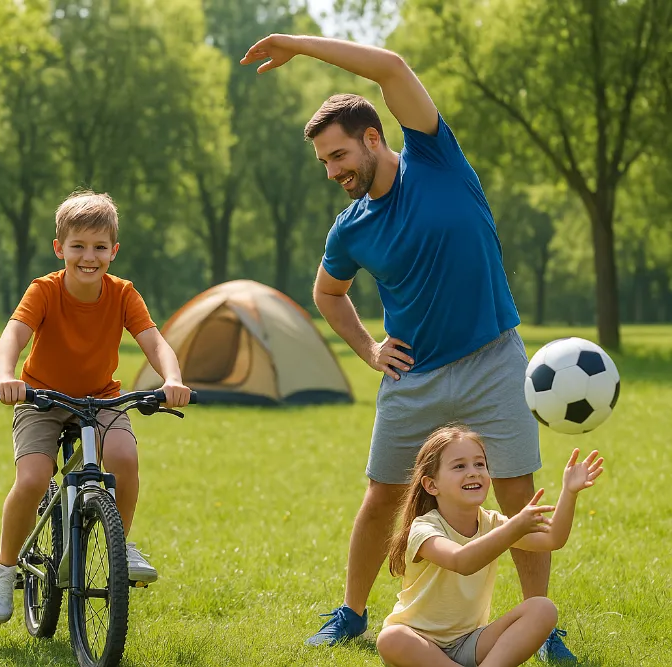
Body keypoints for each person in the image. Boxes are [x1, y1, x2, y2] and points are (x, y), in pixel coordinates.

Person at [240, 34, 579, 661]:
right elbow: (328, 293)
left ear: (374, 138)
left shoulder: (435, 158)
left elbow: (391, 67)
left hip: (491, 357)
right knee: (382, 496)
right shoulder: (350, 229)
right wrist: (370, 350)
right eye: (323, 162)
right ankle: (352, 613)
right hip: (414, 377)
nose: (333, 170)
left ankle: (543, 624)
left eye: (339, 154)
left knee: (513, 489)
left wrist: (300, 47)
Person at [0, 190, 191, 624]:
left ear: (114, 250)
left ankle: (122, 544)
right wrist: (6, 375)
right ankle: (4, 567)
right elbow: (13, 337)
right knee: (35, 476)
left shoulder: (123, 294)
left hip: (101, 396)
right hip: (42, 397)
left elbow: (154, 341)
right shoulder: (44, 290)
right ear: (60, 248)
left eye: (99, 247)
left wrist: (172, 379)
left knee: (123, 456)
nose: (88, 257)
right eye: (78, 246)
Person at [377, 425, 603, 667]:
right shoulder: (423, 528)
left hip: (469, 643)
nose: (473, 472)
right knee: (391, 637)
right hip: (418, 643)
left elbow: (552, 540)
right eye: (459, 466)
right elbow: (461, 561)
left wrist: (569, 492)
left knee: (543, 609)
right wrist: (513, 528)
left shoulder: (492, 522)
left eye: (479, 464)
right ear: (432, 485)